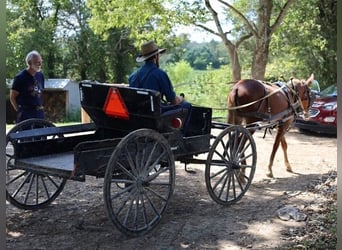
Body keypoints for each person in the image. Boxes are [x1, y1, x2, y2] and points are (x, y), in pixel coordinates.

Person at [129, 41, 191, 131]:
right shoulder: (160, 74)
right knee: (187, 105)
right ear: (156, 57)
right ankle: (182, 138)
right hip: (155, 115)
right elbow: (173, 101)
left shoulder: (133, 76)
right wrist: (181, 98)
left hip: (138, 115)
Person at [10, 50, 45, 123]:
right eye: (37, 62)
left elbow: (40, 93)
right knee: (26, 134)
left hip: (39, 113)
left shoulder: (40, 75)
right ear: (29, 63)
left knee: (42, 133)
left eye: (40, 61)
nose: (40, 64)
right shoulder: (20, 77)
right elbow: (12, 97)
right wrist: (20, 110)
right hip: (26, 114)